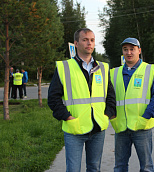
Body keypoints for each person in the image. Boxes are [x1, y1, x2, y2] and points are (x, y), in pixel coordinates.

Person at [48, 28, 116, 172]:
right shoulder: (64, 67)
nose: (89, 43)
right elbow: (53, 98)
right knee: (73, 169)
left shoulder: (103, 68)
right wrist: (67, 117)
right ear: (76, 43)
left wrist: (106, 115)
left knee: (94, 168)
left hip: (98, 127)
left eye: (91, 40)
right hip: (74, 128)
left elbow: (110, 95)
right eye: (85, 40)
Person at [110, 37, 154, 172]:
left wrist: (146, 116)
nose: (129, 52)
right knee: (119, 166)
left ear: (139, 51)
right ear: (122, 52)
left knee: (146, 166)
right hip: (121, 127)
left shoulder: (149, 70)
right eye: (125, 49)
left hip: (142, 127)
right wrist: (112, 117)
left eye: (132, 49)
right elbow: (109, 98)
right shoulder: (114, 73)